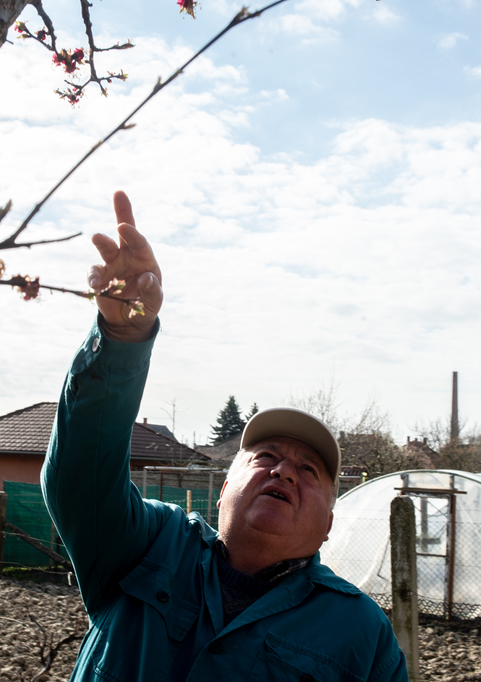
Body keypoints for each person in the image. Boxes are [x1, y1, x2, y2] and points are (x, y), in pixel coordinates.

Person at [42, 191, 407, 682]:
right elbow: (81, 480)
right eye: (267, 456)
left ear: (328, 523)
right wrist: (123, 335)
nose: (283, 471)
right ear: (225, 486)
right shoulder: (148, 546)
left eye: (308, 469)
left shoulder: (362, 633)